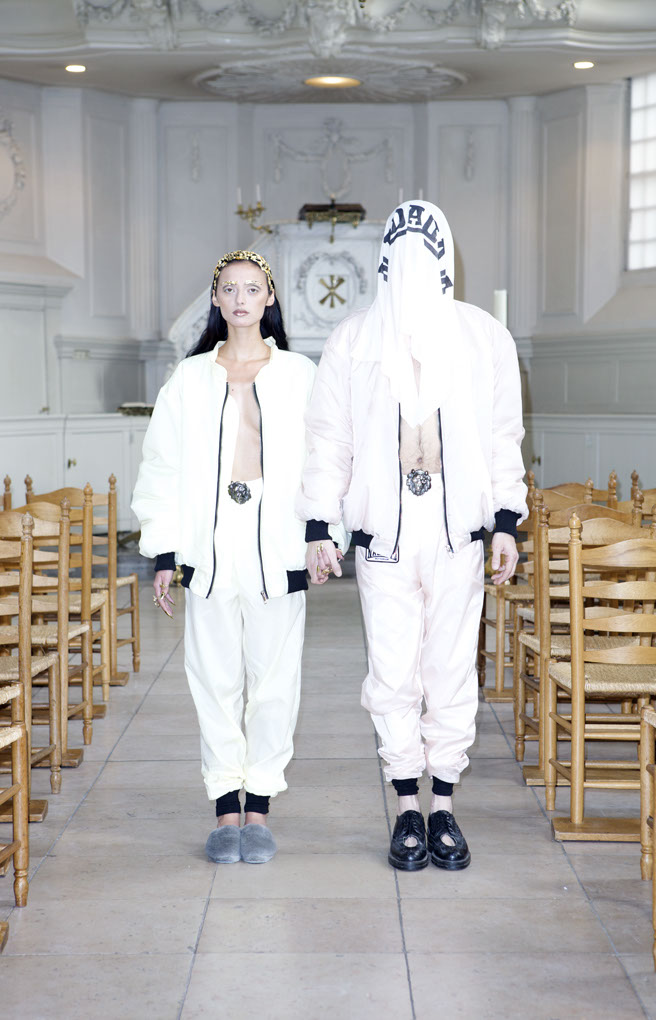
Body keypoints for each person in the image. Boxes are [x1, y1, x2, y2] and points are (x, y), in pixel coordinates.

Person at [297, 201, 527, 872]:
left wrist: (505, 521)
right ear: (384, 264)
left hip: (458, 531)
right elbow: (329, 438)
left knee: (451, 668)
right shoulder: (353, 340)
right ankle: (405, 805)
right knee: (392, 670)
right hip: (385, 533)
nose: (413, 271)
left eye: (427, 258)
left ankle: (444, 804)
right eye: (401, 259)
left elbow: (502, 436)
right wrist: (320, 525)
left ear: (446, 262)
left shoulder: (484, 338)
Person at [132, 250, 346, 865]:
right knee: (214, 681)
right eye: (230, 289)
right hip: (210, 546)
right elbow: (162, 466)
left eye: (253, 288)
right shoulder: (189, 378)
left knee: (275, 684)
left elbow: (326, 457)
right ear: (217, 299)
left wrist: (321, 533)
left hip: (278, 545)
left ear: (270, 296)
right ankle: (226, 809)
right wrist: (164, 551)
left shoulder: (299, 374)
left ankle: (260, 809)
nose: (242, 299)